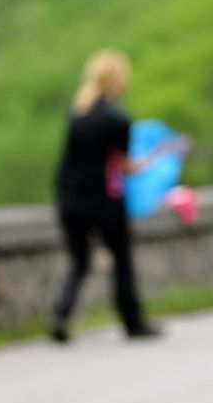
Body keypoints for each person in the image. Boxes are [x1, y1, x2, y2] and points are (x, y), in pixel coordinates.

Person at [50, 49, 167, 343]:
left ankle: (60, 315)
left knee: (79, 261)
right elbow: (125, 166)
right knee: (122, 258)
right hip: (102, 199)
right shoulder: (117, 117)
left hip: (69, 197)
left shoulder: (77, 110)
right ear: (117, 79)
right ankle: (132, 321)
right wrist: (158, 155)